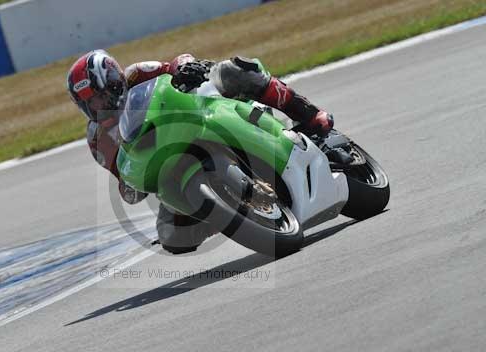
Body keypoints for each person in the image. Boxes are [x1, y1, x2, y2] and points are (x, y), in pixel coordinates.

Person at [67, 50, 334, 254]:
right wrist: (130, 183)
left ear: (114, 81)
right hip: (168, 168)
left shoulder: (137, 74)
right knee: (173, 238)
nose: (99, 105)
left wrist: (184, 67)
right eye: (90, 103)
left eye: (100, 96)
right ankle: (223, 211)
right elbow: (125, 177)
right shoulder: (98, 139)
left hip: (197, 113)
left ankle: (309, 115)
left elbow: (176, 63)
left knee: (233, 71)